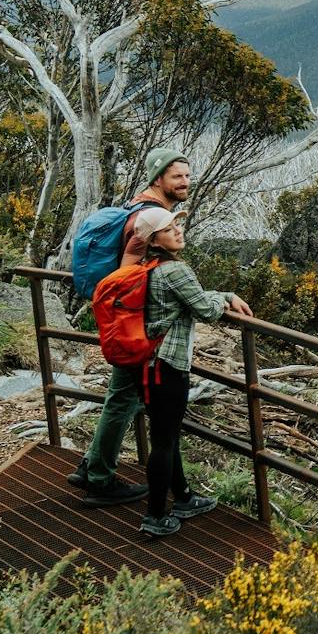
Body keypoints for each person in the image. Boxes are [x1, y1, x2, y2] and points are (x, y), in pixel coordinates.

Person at [70, 148, 196, 505]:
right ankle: (100, 479)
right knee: (123, 399)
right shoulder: (152, 215)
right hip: (135, 326)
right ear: (159, 179)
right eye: (177, 177)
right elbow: (129, 268)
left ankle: (92, 466)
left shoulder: (138, 205)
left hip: (127, 321)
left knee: (121, 397)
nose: (185, 182)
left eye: (187, 175)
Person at [122, 205, 249, 539]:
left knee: (166, 434)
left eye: (176, 225)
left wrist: (222, 294)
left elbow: (189, 302)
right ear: (156, 240)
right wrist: (225, 298)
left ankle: (183, 499)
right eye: (169, 229)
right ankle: (154, 517)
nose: (178, 231)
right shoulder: (175, 271)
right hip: (166, 366)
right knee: (164, 440)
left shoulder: (145, 267)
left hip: (145, 365)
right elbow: (205, 311)